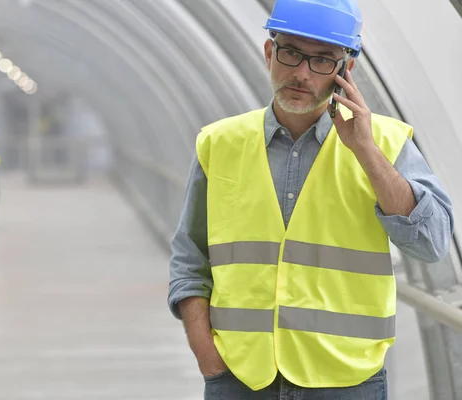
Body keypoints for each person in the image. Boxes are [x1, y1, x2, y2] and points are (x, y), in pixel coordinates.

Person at [167, 0, 454, 398]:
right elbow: (190, 258)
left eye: (322, 60)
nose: (302, 73)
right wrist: (206, 355)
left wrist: (367, 154)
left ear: (344, 70)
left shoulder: (385, 144)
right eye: (291, 54)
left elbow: (432, 243)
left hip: (345, 384)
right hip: (241, 380)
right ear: (270, 53)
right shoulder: (219, 144)